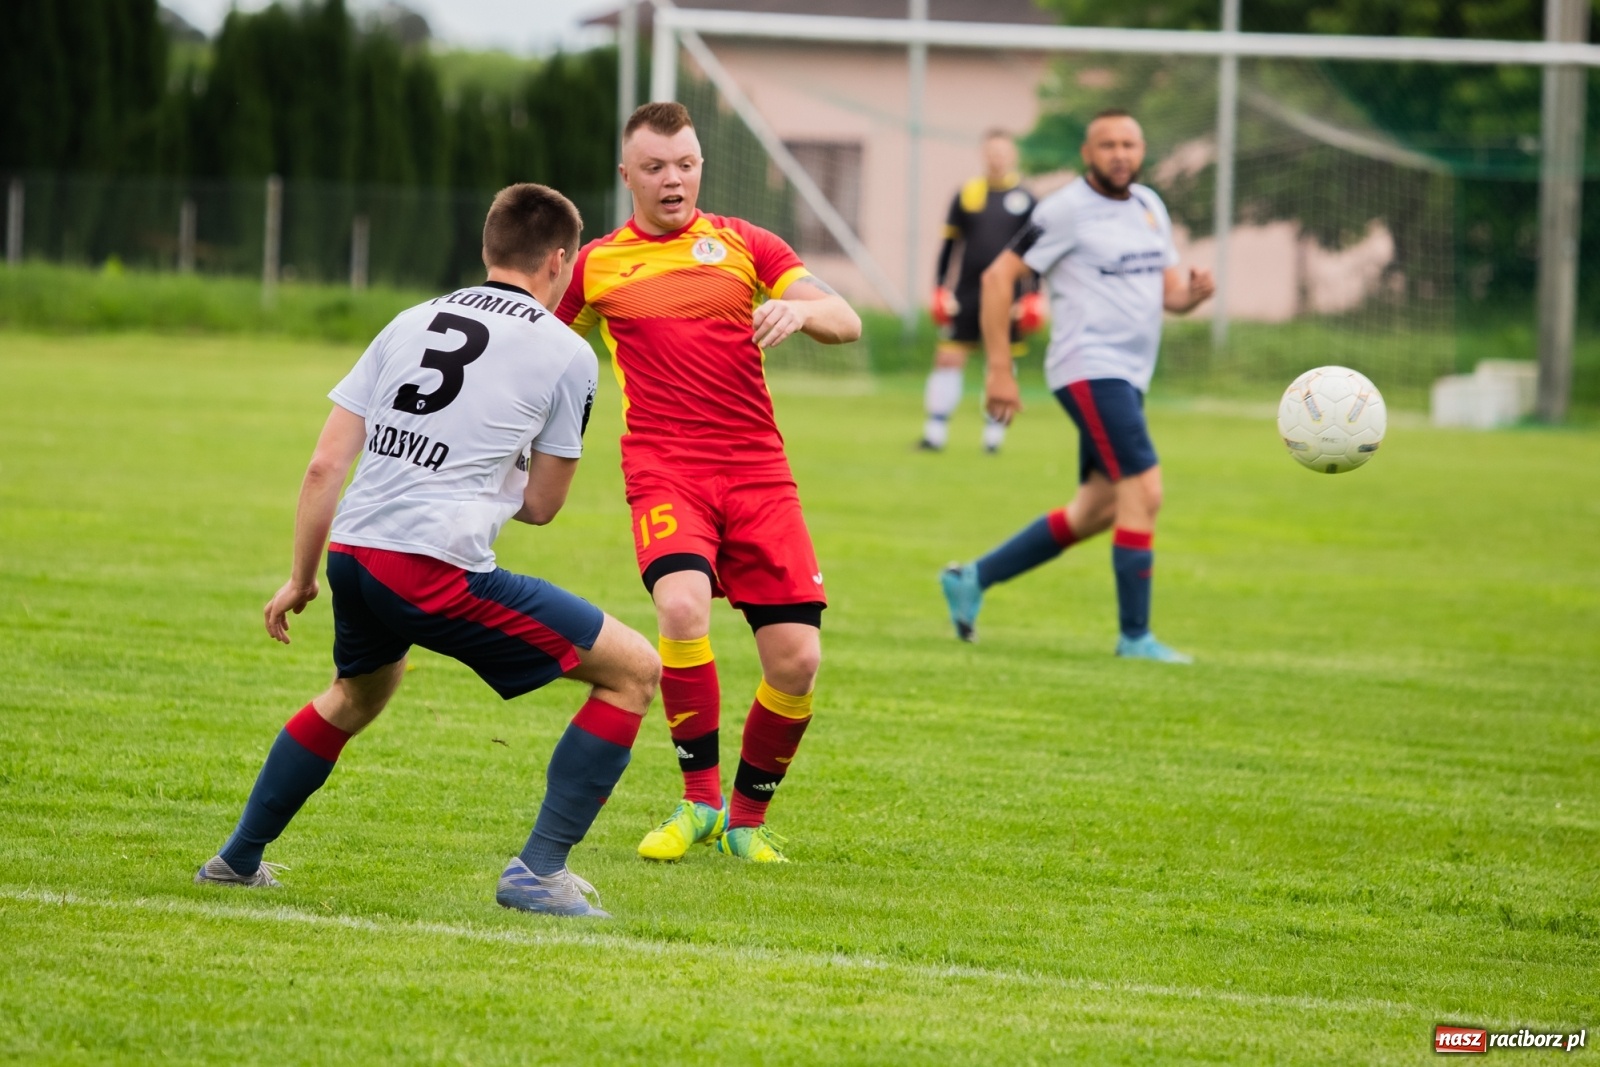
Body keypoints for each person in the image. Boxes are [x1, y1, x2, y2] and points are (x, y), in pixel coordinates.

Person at [194, 184, 660, 918]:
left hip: (353, 550)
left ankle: (236, 860)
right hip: (432, 567)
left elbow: (324, 466)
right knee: (634, 669)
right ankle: (539, 870)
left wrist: (301, 576)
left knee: (359, 692)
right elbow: (542, 506)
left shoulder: (408, 321)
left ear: (486, 249)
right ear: (560, 262)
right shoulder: (569, 352)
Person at [556, 102, 861, 865]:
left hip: (758, 471)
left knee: (797, 660)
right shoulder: (598, 264)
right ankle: (698, 803)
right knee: (683, 605)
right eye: (656, 167)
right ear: (627, 175)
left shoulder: (745, 245)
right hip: (665, 468)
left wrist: (802, 311)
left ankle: (745, 822)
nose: (674, 179)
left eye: (686, 163)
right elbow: (540, 345)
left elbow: (847, 318)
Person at [940, 110, 1214, 662]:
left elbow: (1168, 295)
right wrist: (999, 370)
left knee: (1098, 508)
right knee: (1146, 490)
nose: (1120, 154)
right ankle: (1135, 638)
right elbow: (998, 277)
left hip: (1130, 375)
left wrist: (1196, 295)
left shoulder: (1148, 206)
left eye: (1130, 144)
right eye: (1107, 145)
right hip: (1088, 368)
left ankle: (972, 577)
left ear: (1142, 151)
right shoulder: (1064, 210)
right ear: (1088, 154)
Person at [918, 129, 1041, 454]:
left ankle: (993, 438)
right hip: (967, 293)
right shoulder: (967, 194)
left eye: (1003, 151)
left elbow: (1036, 253)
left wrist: (1033, 294)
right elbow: (949, 246)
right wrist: (940, 289)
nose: (997, 157)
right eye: (992, 151)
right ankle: (935, 433)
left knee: (1001, 362)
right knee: (948, 357)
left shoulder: (1027, 199)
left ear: (1012, 155)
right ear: (984, 154)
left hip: (1008, 296)